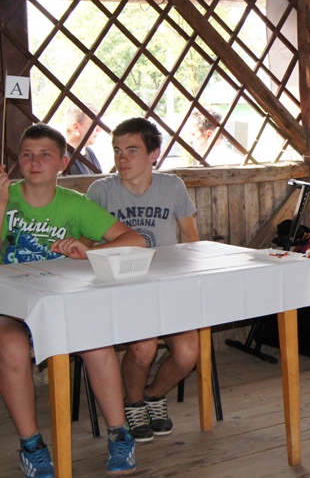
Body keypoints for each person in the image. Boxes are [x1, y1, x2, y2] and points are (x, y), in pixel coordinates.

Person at [0, 124, 144, 477]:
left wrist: (89, 250)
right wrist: (1, 204)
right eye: (27, 155)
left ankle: (120, 434)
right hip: (10, 308)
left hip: (61, 303)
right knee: (11, 348)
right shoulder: (6, 197)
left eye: (45, 155)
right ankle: (31, 445)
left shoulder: (75, 204)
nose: (35, 162)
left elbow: (135, 240)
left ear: (62, 163)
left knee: (97, 342)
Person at [87, 117, 200, 443]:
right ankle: (133, 403)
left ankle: (153, 395)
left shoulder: (172, 187)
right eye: (117, 150)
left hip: (167, 286)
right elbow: (87, 246)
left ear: (154, 155)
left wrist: (191, 281)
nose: (122, 158)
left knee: (187, 354)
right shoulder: (101, 191)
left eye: (132, 150)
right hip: (121, 288)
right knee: (142, 349)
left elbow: (191, 238)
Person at [62, 102, 102, 175]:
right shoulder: (63, 159)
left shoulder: (89, 152)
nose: (99, 129)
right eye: (94, 124)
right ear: (76, 127)